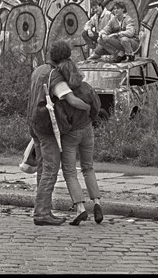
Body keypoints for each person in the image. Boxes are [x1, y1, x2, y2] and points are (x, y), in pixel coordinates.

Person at [27, 41, 91, 226]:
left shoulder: (39, 70)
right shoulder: (55, 76)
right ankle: (41, 213)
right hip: (46, 126)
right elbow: (71, 100)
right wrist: (89, 107)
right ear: (67, 57)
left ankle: (43, 209)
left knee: (42, 167)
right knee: (50, 169)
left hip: (34, 122)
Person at [56, 58, 104, 226]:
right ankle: (97, 203)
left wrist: (66, 129)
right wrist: (91, 118)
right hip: (87, 129)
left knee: (69, 172)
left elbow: (60, 117)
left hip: (71, 133)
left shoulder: (64, 92)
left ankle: (80, 208)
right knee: (88, 167)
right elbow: (97, 106)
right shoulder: (86, 87)